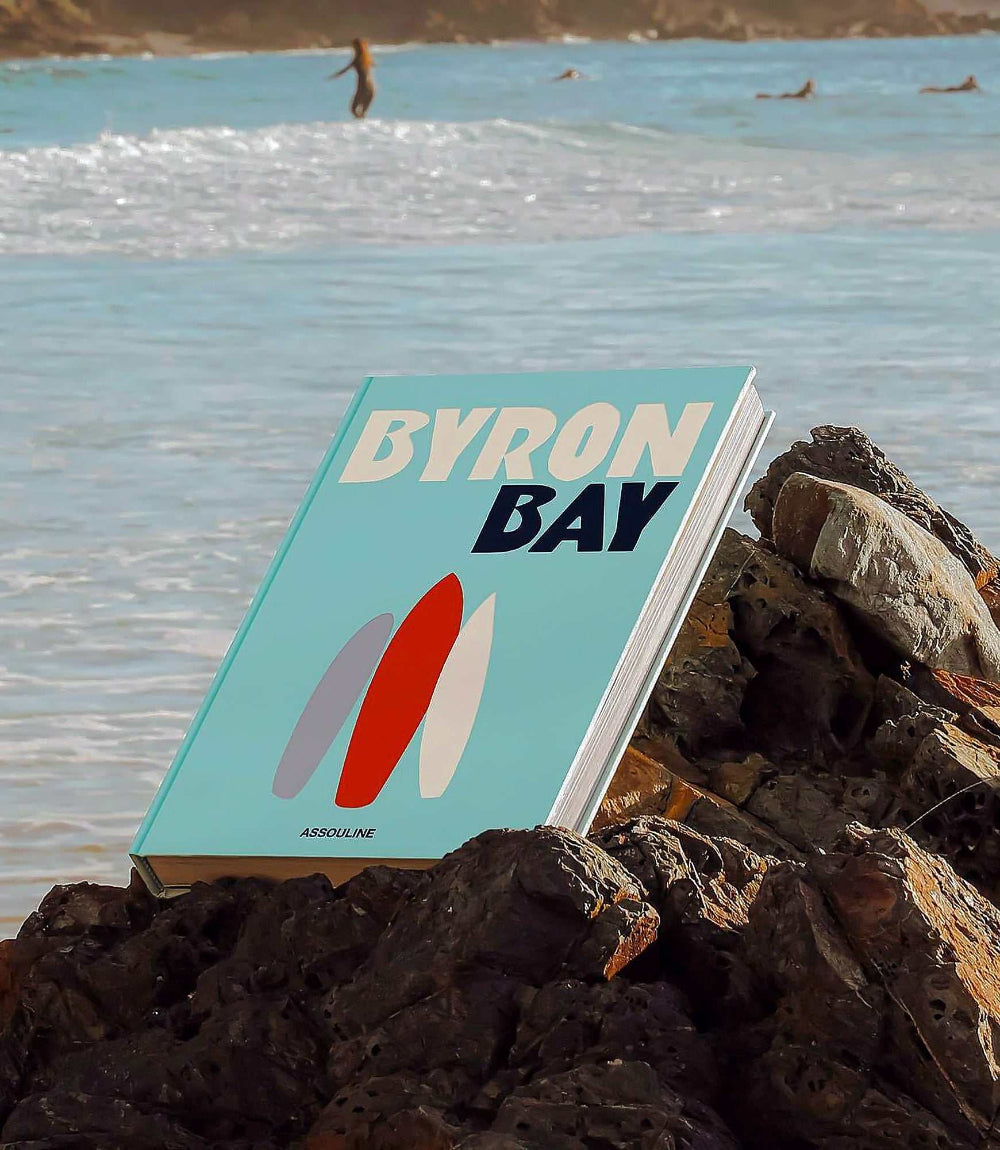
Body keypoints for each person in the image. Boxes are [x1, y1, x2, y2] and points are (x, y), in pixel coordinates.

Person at [328, 38, 375, 119]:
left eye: (354, 47)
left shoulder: (358, 59)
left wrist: (334, 76)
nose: (353, 49)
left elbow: (345, 70)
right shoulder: (366, 58)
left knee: (354, 110)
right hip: (371, 87)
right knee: (362, 112)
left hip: (363, 86)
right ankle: (363, 127)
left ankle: (360, 127)